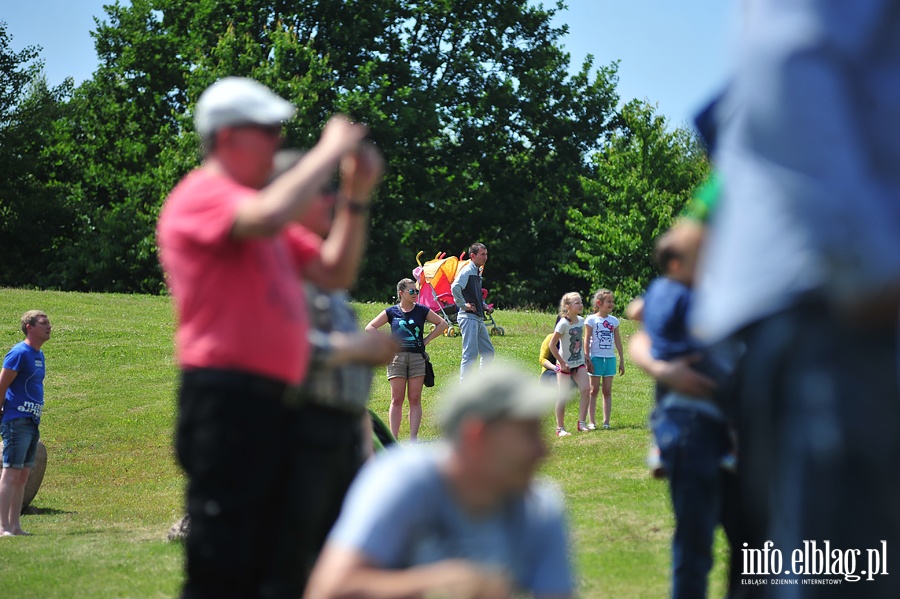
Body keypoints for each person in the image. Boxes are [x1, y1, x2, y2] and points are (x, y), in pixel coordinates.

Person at [688, 3, 900, 596]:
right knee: (845, 575)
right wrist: (870, 266)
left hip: (851, 317)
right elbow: (790, 62)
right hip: (846, 318)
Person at [156, 76, 380, 598]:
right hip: (227, 396)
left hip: (280, 401)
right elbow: (272, 212)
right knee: (225, 565)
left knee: (279, 566)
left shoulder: (268, 220)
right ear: (228, 136)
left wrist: (356, 196)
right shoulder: (203, 194)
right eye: (268, 129)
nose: (278, 139)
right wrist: (328, 150)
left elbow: (335, 269)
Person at [304, 362, 575, 599]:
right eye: (528, 433)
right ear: (477, 435)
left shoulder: (541, 509)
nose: (542, 450)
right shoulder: (404, 480)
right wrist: (438, 585)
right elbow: (329, 590)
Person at [636, 229, 738, 599]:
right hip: (695, 415)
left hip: (689, 418)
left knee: (728, 547)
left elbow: (639, 313)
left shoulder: (667, 289)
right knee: (698, 546)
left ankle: (662, 445)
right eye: (701, 253)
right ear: (678, 263)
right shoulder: (680, 293)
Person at [365, 278, 448, 442]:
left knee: (415, 398)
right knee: (396, 399)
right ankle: (393, 439)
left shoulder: (422, 310)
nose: (415, 294)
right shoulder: (391, 312)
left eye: (416, 291)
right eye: (412, 291)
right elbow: (370, 327)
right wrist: (388, 343)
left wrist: (426, 340)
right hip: (397, 358)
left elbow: (442, 324)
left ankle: (413, 440)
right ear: (401, 293)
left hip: (417, 358)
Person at [0, 310, 51, 538]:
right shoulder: (19, 353)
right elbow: (2, 385)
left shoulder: (39, 355)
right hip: (16, 420)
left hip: (32, 421)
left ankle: (15, 526)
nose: (49, 326)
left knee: (22, 476)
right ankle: (2, 527)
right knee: (10, 473)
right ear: (29, 327)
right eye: (43, 323)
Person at [450, 242, 495, 380]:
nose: (485, 257)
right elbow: (455, 287)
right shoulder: (467, 271)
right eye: (482, 254)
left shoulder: (476, 271)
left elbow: (474, 294)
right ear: (472, 255)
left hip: (477, 317)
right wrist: (463, 305)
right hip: (468, 317)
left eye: (486, 254)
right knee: (470, 355)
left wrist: (484, 306)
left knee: (488, 352)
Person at [549, 293, 591, 437]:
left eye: (581, 302)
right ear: (568, 306)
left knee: (586, 389)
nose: (581, 305)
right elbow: (552, 345)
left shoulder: (581, 321)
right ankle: (560, 428)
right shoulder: (563, 324)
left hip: (578, 363)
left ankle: (582, 423)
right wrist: (562, 363)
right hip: (565, 365)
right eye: (577, 303)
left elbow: (580, 340)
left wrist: (585, 356)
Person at [584, 289, 625, 430]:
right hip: (595, 358)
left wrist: (621, 359)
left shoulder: (614, 321)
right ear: (599, 303)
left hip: (610, 359)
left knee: (607, 391)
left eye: (612, 301)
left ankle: (606, 422)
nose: (612, 304)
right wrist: (587, 356)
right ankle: (592, 421)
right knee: (593, 390)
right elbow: (587, 338)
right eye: (609, 301)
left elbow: (618, 342)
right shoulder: (591, 319)